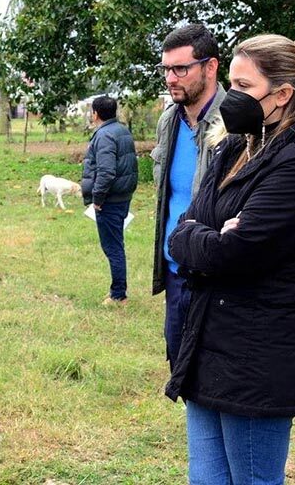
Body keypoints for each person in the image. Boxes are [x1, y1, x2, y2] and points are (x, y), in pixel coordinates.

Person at [165, 34, 295, 484]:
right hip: (207, 344)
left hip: (256, 356)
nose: (231, 98)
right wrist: (205, 235)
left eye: (242, 86)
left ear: (283, 95)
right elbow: (181, 232)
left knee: (253, 479)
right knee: (207, 480)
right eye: (230, 84)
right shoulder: (235, 145)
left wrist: (209, 237)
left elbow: (234, 251)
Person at [150, 23, 226, 369]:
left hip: (215, 275)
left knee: (214, 372)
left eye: (181, 68)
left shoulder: (236, 122)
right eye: (166, 69)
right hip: (174, 269)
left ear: (210, 67)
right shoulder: (169, 120)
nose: (171, 78)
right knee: (178, 364)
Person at [81, 95, 138, 304]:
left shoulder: (104, 135)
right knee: (116, 244)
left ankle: (118, 294)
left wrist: (97, 198)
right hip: (122, 197)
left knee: (113, 247)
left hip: (110, 200)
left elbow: (106, 172)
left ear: (95, 114)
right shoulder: (122, 131)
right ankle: (118, 291)